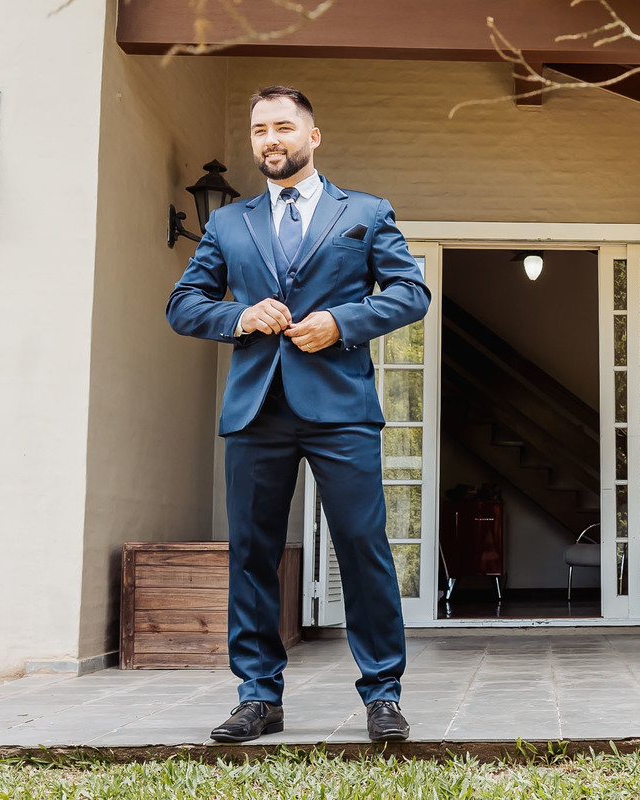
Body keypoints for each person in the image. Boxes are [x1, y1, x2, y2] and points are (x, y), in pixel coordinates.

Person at [166, 85, 430, 743]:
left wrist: (341, 321)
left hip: (341, 408)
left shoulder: (365, 212)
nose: (270, 140)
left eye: (283, 127)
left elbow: (410, 293)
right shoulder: (229, 223)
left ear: (313, 136)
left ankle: (383, 695)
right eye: (259, 131)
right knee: (253, 554)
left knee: (364, 549)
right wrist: (240, 315)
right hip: (257, 410)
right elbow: (183, 303)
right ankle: (259, 696)